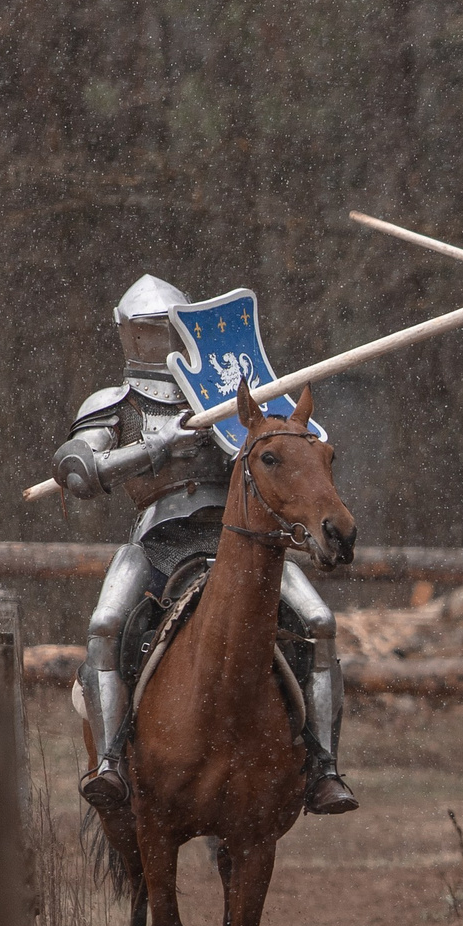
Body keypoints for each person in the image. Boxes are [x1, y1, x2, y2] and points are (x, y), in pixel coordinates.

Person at [50, 274, 355, 817]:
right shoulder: (114, 401)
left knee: (318, 621)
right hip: (157, 536)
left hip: (243, 540)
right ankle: (111, 762)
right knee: (104, 626)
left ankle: (323, 767)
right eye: (144, 330)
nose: (154, 339)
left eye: (164, 328)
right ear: (125, 332)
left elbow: (284, 448)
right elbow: (78, 471)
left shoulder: (227, 390)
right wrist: (155, 446)